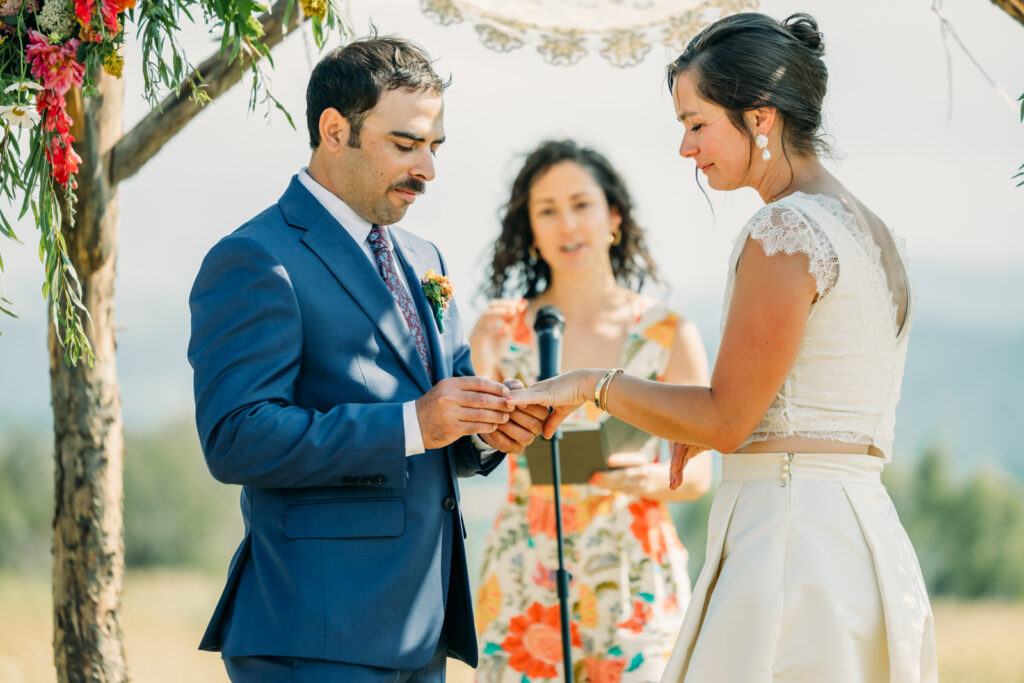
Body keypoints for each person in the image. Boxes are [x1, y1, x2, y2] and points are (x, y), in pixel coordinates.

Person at [507, 14, 938, 683]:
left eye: (697, 123)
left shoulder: (785, 228)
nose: (686, 148)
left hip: (790, 548)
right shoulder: (874, 232)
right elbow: (795, 399)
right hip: (862, 537)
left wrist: (592, 382)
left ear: (759, 118)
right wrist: (699, 421)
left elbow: (728, 418)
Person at [188, 35, 545, 682]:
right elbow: (235, 439)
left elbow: (443, 408)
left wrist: (488, 426)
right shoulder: (255, 258)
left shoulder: (424, 256)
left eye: (434, 148)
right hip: (315, 633)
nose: (427, 169)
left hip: (422, 627)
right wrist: (414, 424)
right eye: (405, 145)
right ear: (333, 130)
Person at [469, 140, 712, 683]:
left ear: (614, 216)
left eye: (581, 204)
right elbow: (467, 449)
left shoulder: (668, 335)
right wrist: (480, 357)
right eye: (547, 211)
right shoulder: (500, 331)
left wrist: (649, 477)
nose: (566, 224)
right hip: (523, 570)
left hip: (634, 575)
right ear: (529, 228)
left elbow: (698, 474)